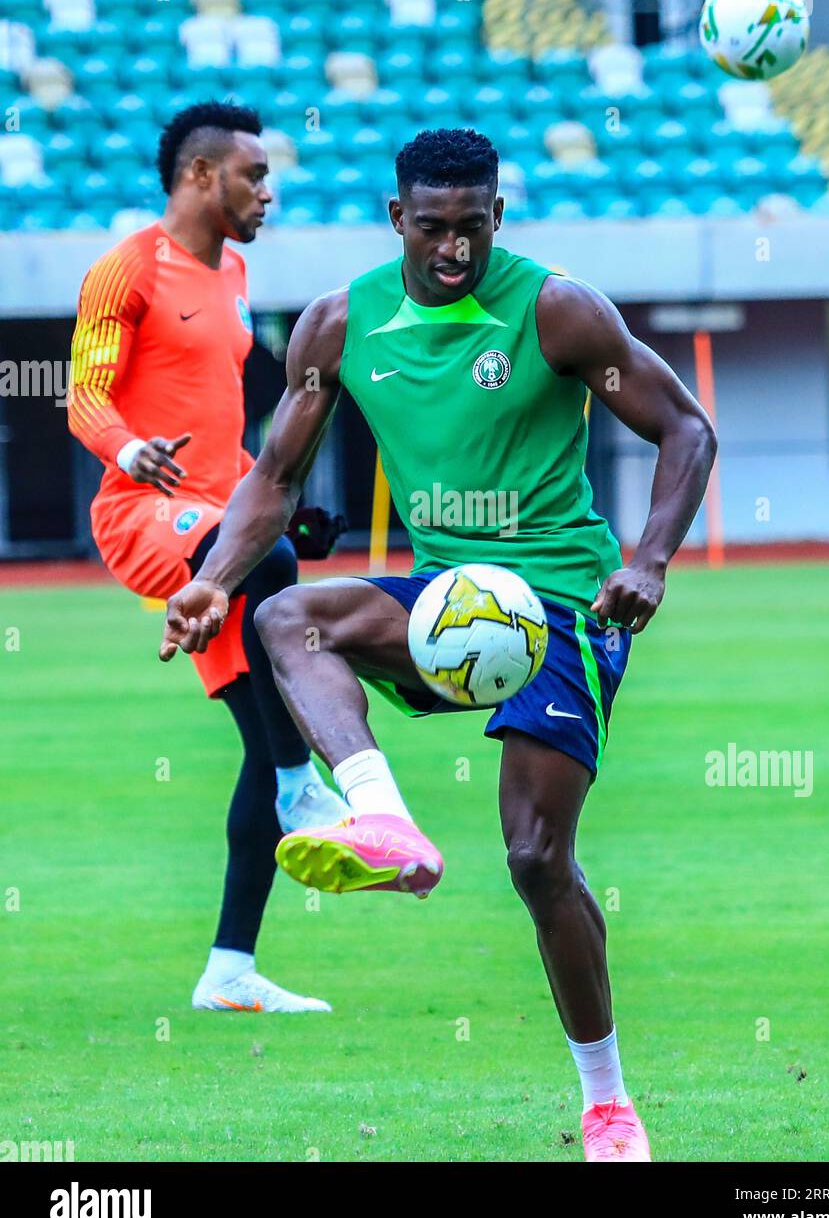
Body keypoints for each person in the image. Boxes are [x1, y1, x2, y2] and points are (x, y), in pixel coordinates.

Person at [159, 127, 717, 1157]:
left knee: (535, 857)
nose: (453, 248)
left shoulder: (556, 307)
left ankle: (606, 1102)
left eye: (472, 226)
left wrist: (649, 558)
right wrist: (209, 582)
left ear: (497, 216)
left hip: (558, 606)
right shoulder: (341, 322)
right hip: (445, 601)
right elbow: (275, 479)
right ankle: (386, 823)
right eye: (432, 227)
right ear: (396, 220)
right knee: (286, 615)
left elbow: (685, 428)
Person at [67, 100, 345, 1015]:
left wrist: (283, 511)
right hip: (143, 514)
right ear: (199, 176)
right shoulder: (125, 271)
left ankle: (230, 968)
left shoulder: (231, 271)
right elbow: (83, 397)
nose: (268, 192)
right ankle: (311, 790)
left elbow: (239, 420)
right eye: (254, 176)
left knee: (264, 731)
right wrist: (128, 449)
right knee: (268, 604)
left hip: (222, 518)